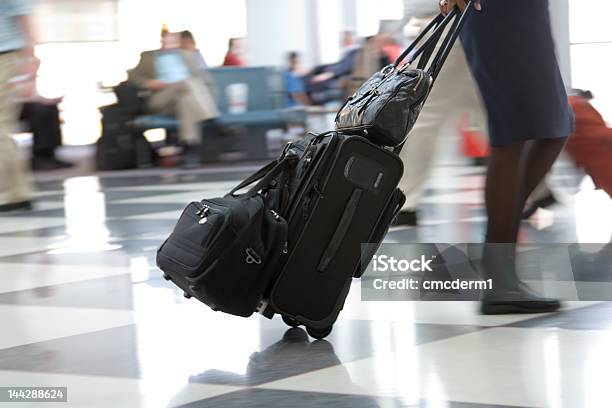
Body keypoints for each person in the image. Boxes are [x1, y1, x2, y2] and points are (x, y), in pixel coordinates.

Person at [439, 0, 574, 314]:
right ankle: (500, 276)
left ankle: (497, 254)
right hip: (498, 10)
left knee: (555, 125)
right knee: (511, 132)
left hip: (523, 9)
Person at [392, 1, 488, 227]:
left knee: (426, 116)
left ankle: (406, 201)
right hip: (462, 23)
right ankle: (536, 184)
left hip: (450, 22)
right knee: (488, 111)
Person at [127, 29, 220, 166]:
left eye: (174, 39)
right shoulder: (148, 56)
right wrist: (148, 83)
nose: (170, 42)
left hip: (182, 100)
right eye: (167, 38)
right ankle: (208, 113)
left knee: (185, 101)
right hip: (160, 99)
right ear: (162, 40)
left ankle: (190, 149)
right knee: (186, 82)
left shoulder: (187, 55)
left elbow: (203, 79)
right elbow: (132, 76)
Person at [0, 1, 35, 212]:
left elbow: (25, 21)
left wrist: (29, 67)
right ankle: (16, 192)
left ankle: (14, 193)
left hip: (5, 58)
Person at [13, 55, 72, 171]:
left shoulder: (27, 76)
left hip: (22, 105)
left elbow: (31, 97)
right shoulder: (11, 69)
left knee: (50, 108)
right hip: (8, 107)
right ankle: (40, 157)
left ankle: (49, 154)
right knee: (40, 111)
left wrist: (49, 101)